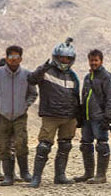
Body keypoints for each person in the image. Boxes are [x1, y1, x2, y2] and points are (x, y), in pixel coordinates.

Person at [27, 38, 81, 188]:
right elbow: (31, 79)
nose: (65, 60)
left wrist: (78, 116)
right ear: (56, 57)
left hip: (69, 117)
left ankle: (60, 175)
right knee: (44, 146)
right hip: (51, 115)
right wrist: (41, 69)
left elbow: (76, 95)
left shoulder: (72, 76)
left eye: (68, 58)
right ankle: (36, 178)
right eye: (62, 57)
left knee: (65, 145)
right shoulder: (46, 71)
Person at [0, 45, 38, 186]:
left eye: (16, 57)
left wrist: (26, 104)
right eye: (11, 57)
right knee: (3, 145)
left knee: (21, 142)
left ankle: (25, 172)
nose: (13, 60)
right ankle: (8, 176)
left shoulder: (27, 74)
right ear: (6, 58)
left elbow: (33, 93)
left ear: (21, 58)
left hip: (20, 115)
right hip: (2, 115)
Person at [74, 49, 111, 184]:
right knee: (86, 144)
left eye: (96, 60)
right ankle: (88, 173)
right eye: (91, 60)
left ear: (101, 61)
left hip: (100, 117)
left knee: (102, 144)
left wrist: (107, 117)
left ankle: (101, 175)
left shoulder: (106, 77)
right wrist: (81, 115)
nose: (93, 63)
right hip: (88, 117)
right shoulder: (88, 77)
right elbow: (84, 96)